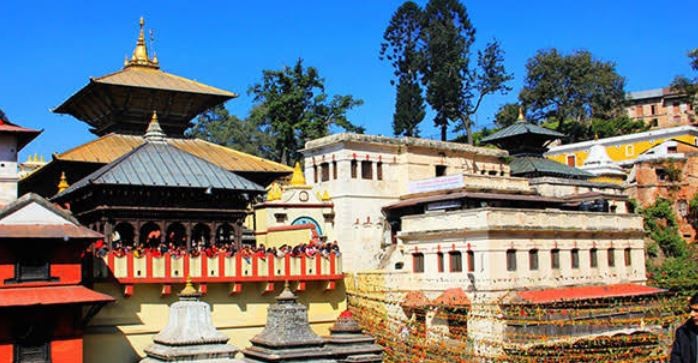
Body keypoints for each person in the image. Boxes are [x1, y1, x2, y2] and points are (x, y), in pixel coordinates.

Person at [670, 292, 698, 363]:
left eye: (696, 311)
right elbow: (676, 357)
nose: (692, 314)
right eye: (691, 310)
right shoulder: (683, 332)